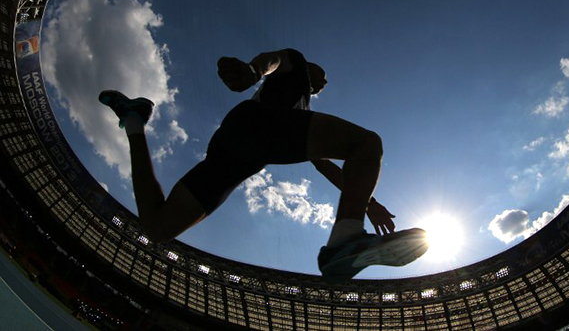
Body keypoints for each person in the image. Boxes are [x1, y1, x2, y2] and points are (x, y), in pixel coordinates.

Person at [99, 48, 427, 281]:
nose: (324, 83)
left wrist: (369, 203)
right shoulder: (297, 67)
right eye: (322, 75)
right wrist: (252, 71)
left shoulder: (299, 114)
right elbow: (275, 60)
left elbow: (323, 165)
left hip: (233, 159)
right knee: (367, 143)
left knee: (158, 229)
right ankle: (345, 239)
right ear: (310, 67)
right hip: (255, 126)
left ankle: (133, 121)